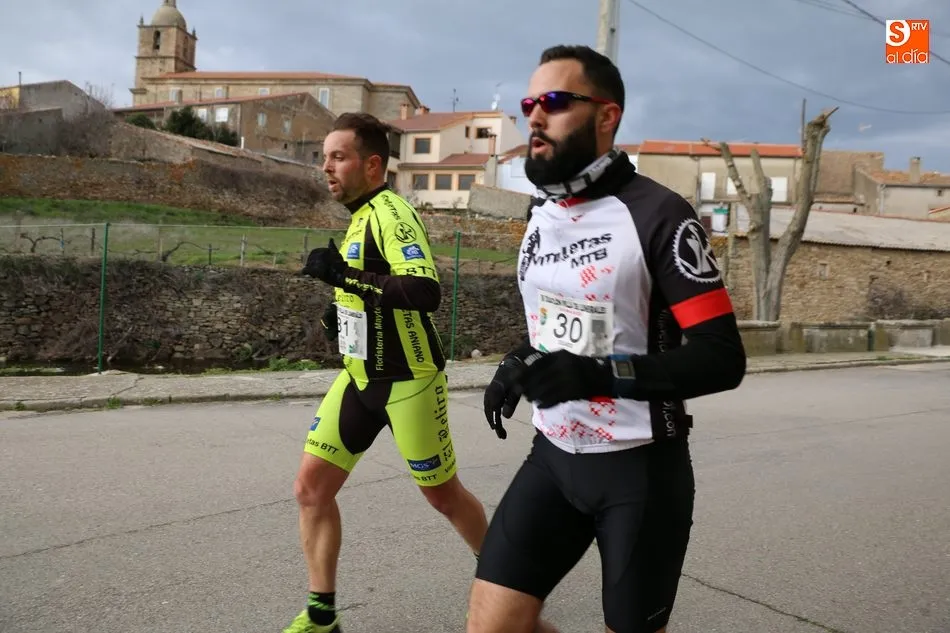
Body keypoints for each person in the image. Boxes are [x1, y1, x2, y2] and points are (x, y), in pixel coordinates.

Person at [467, 45, 747, 633]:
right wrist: (520, 359)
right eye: (528, 104)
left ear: (606, 115)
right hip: (553, 457)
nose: (534, 116)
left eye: (553, 101)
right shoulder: (542, 213)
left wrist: (599, 375)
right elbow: (562, 323)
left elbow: (722, 357)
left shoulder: (659, 214)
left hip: (639, 470)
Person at [285, 112, 489, 633]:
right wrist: (339, 307)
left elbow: (424, 292)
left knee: (443, 496)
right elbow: (368, 284)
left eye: (338, 157)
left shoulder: (392, 213)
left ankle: (507, 583)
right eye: (324, 157)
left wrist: (345, 276)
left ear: (372, 165)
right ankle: (322, 617)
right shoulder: (359, 217)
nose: (326, 167)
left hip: (407, 380)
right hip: (359, 379)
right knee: (311, 487)